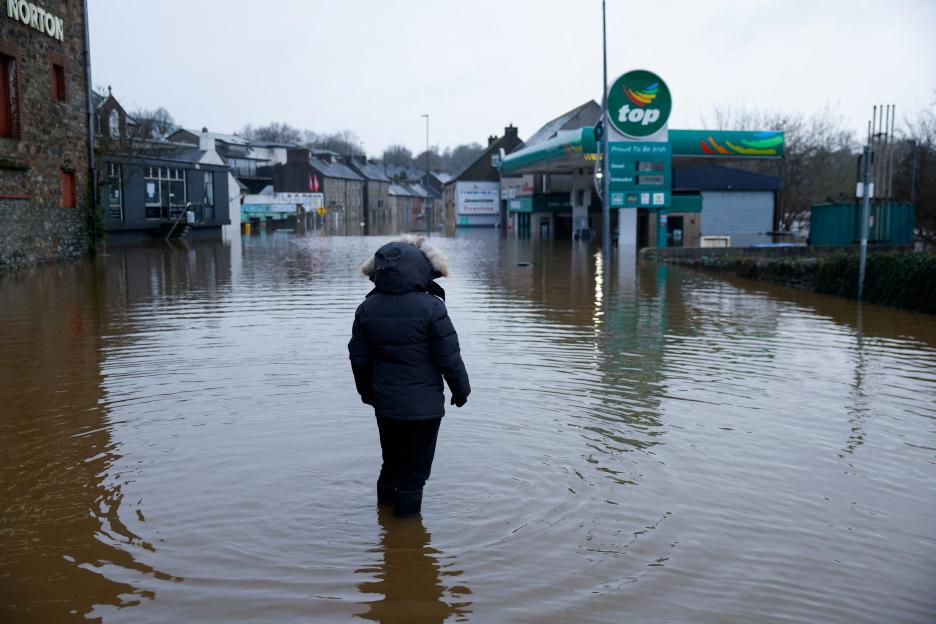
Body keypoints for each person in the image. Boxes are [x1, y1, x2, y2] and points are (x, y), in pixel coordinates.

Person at [348, 236, 470, 518]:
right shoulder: (432, 307)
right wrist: (461, 391)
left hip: (386, 405)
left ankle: (385, 525)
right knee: (414, 474)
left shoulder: (367, 308)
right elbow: (450, 357)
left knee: (390, 464)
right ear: (420, 268)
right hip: (424, 410)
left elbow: (359, 360)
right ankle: (406, 543)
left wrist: (369, 394)